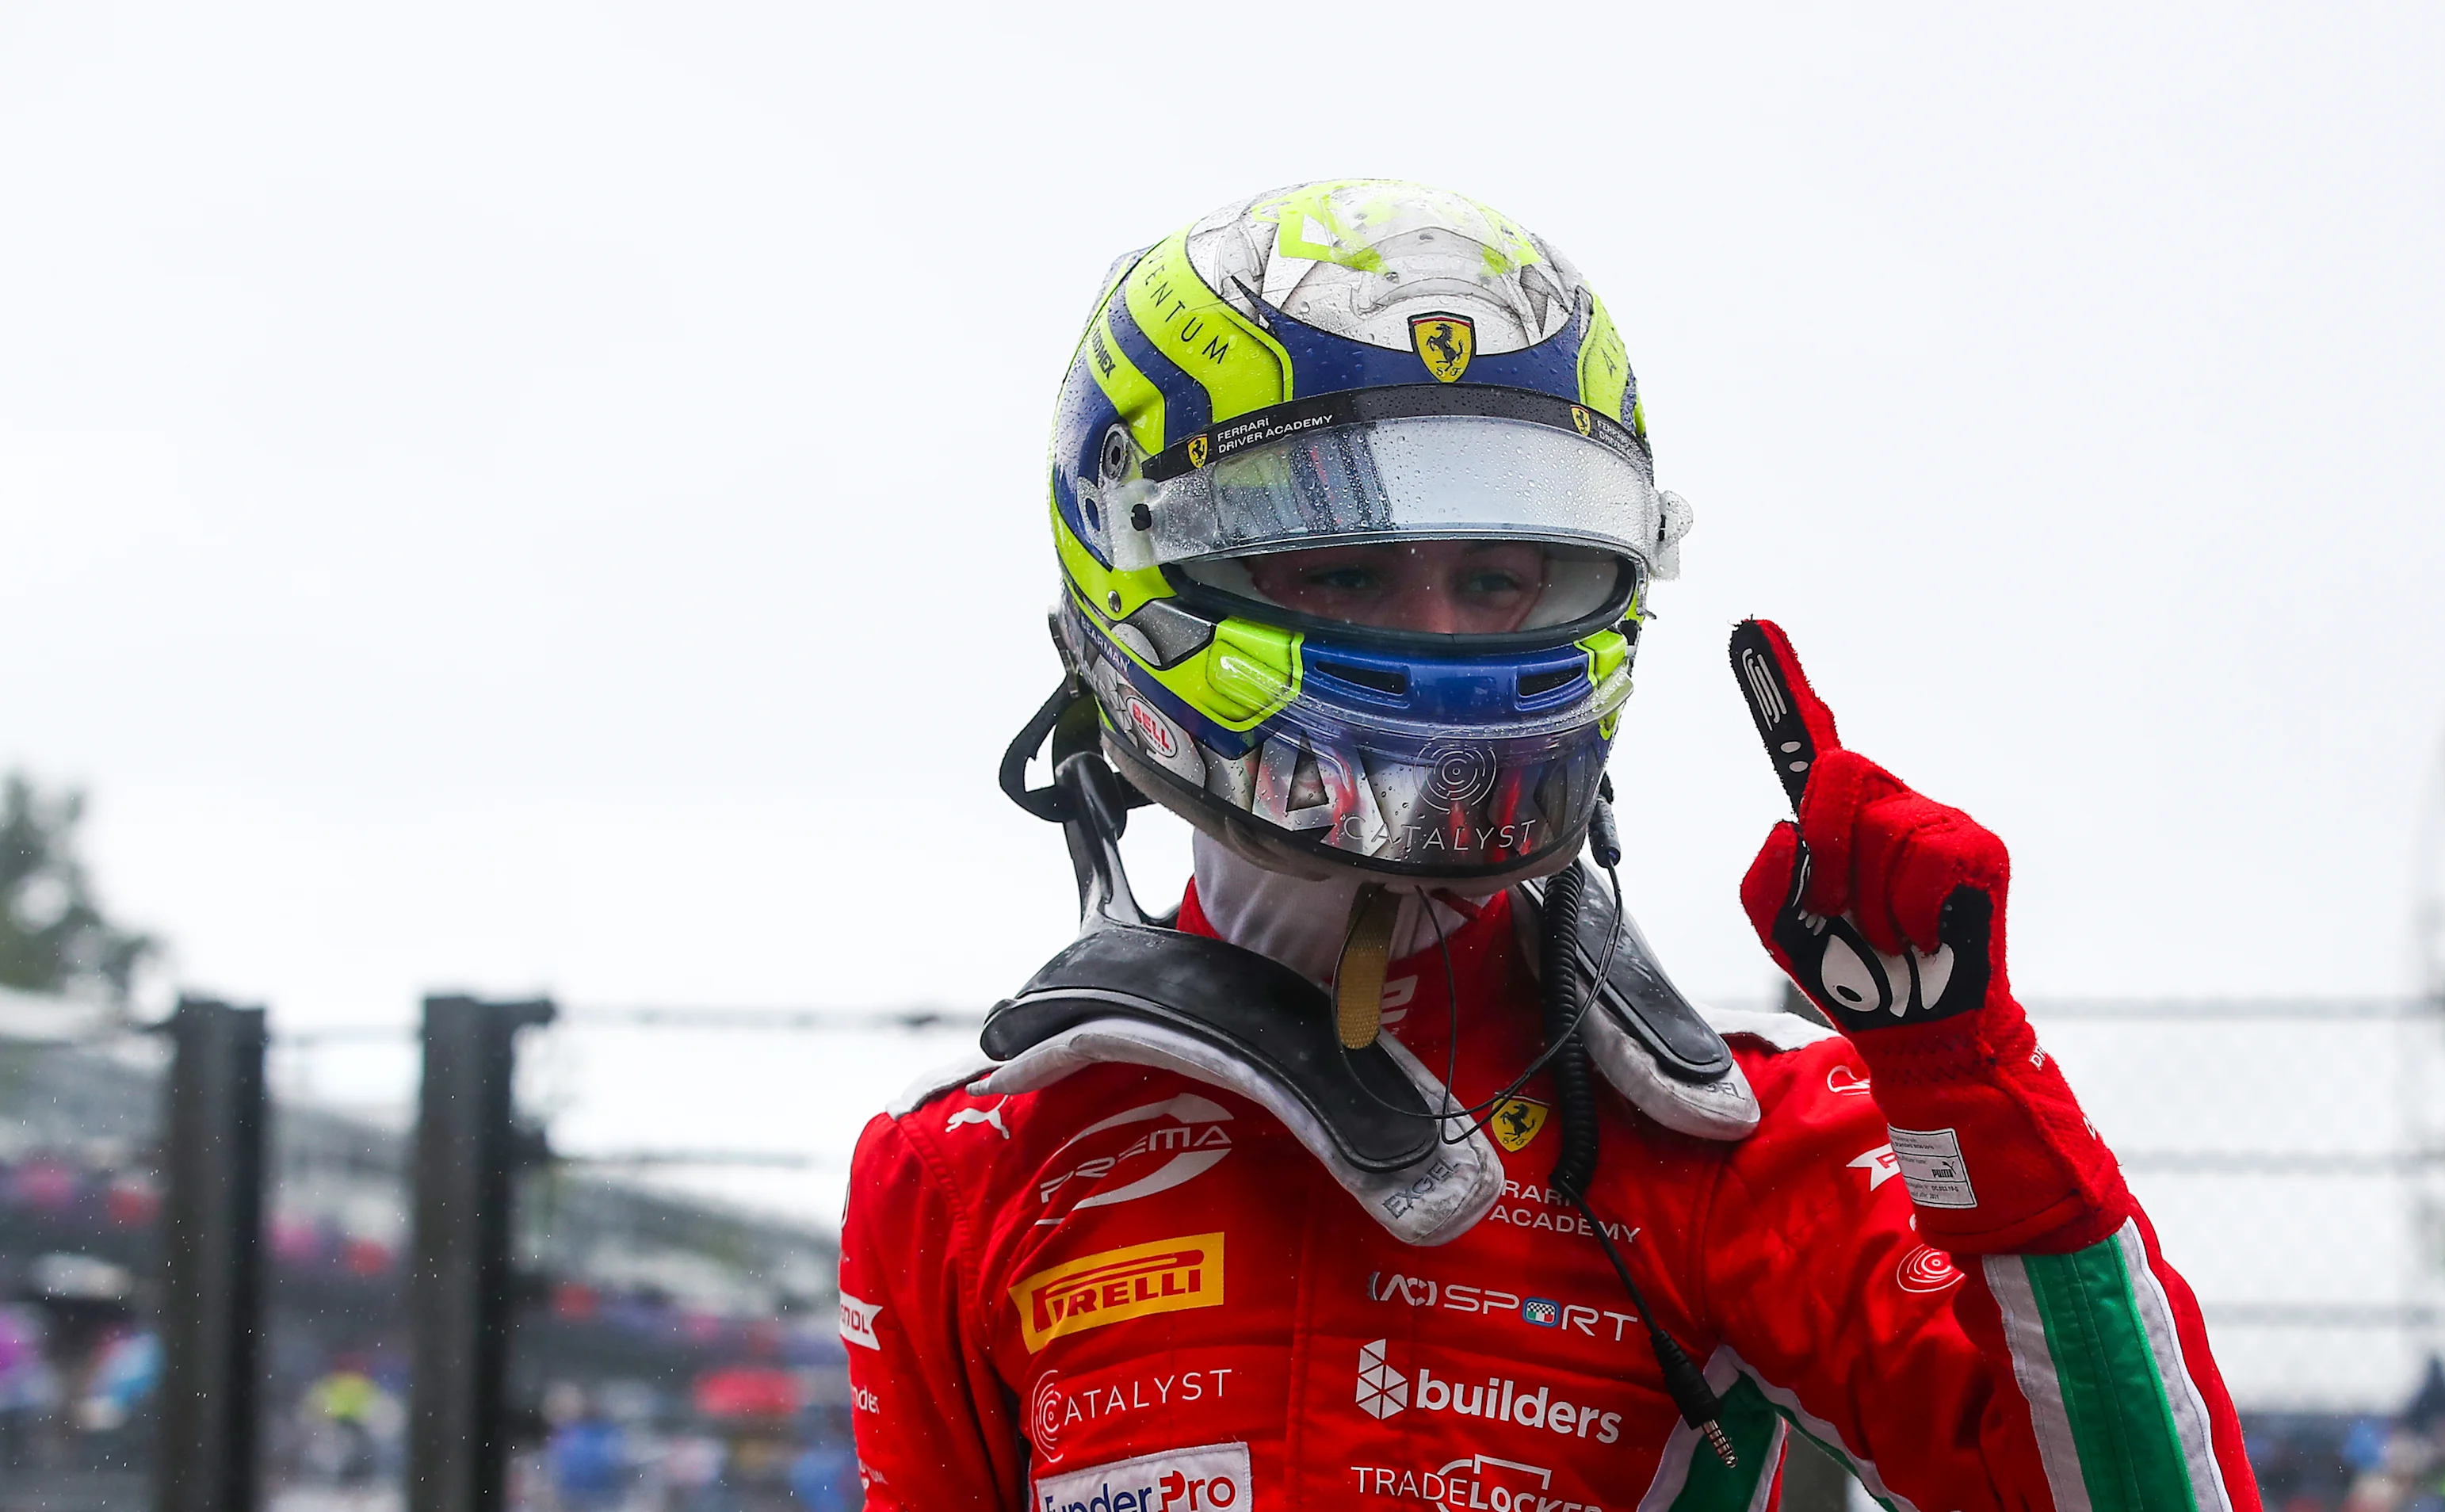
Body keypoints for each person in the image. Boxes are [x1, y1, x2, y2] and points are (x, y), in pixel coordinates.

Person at [839, 179, 2261, 1512]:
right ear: (1133, 559)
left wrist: (1962, 1080)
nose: (1445, 635)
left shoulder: (1727, 1144)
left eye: (1499, 576)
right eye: (1347, 567)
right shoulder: (970, 1162)